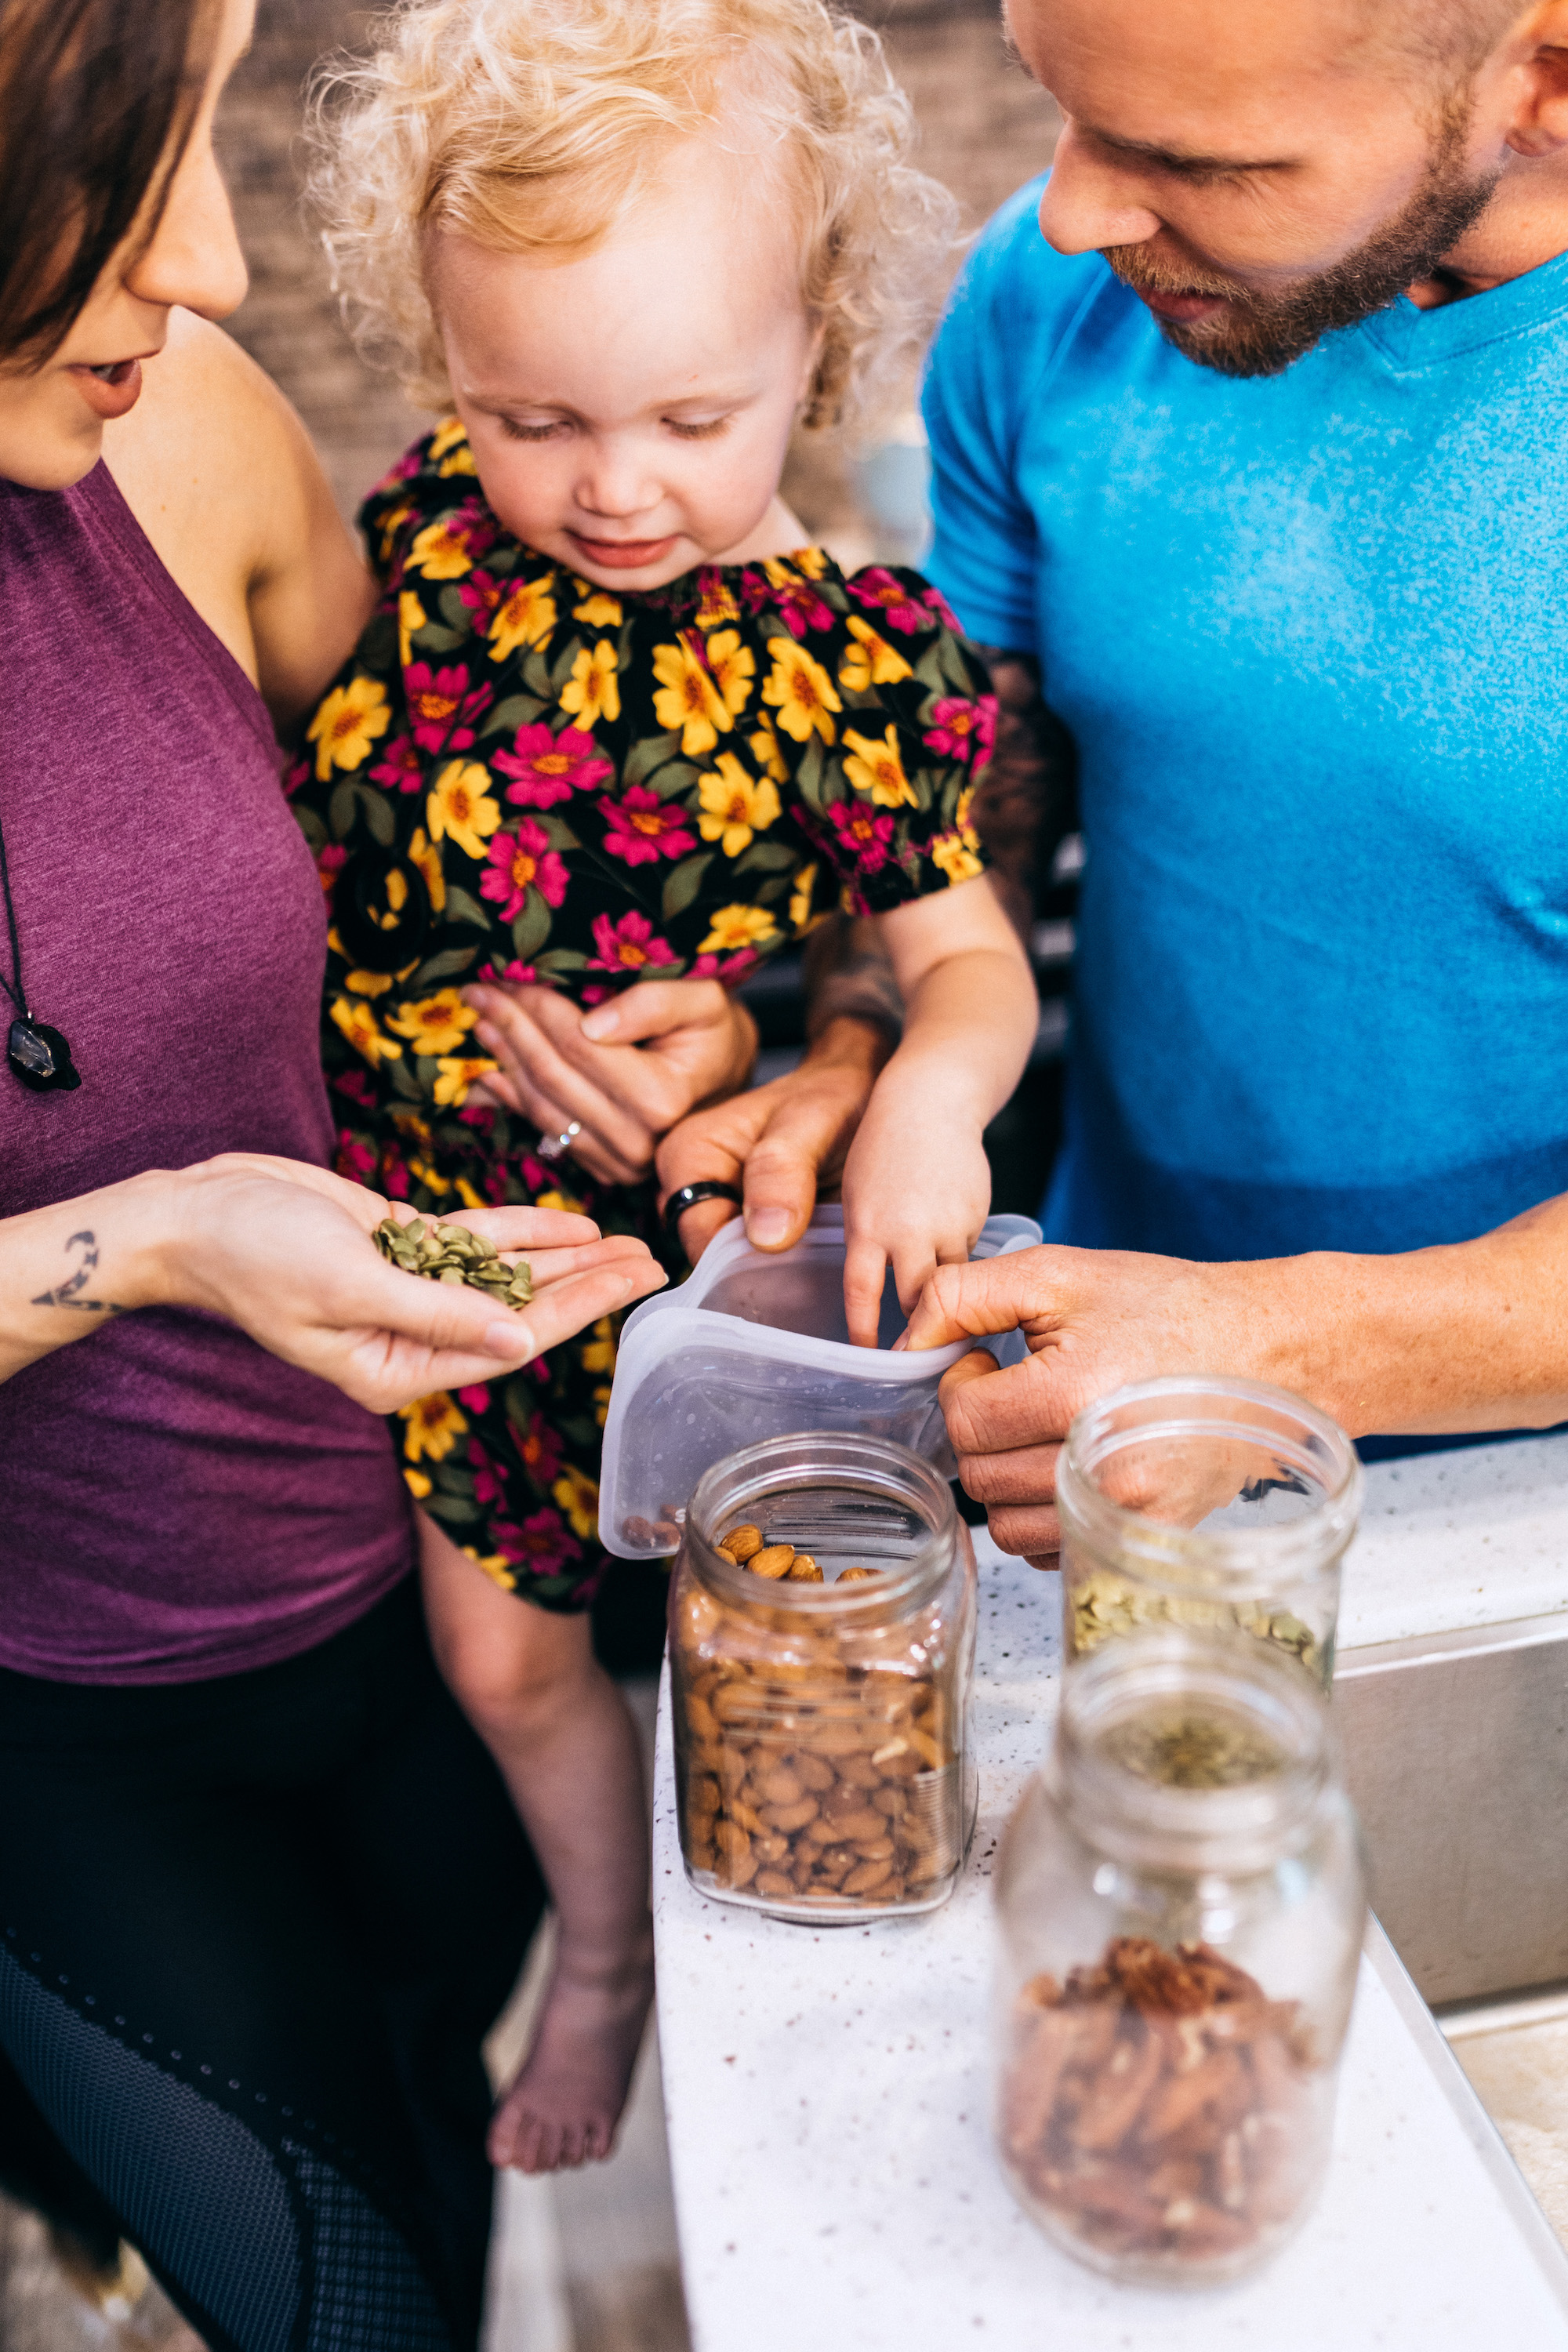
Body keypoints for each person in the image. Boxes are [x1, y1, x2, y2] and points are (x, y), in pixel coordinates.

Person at [297, 0, 1037, 2176]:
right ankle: (599, 1954)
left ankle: (759, 2005)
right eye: (528, 412)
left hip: (700, 1270)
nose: (610, 484)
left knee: (767, 1652)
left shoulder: (849, 664)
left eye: (690, 415)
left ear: (817, 347)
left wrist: (910, 1082)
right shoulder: (423, 562)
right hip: (434, 1251)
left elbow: (966, 964)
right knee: (505, 1664)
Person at [0, 0, 667, 2342]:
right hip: (59, 1737)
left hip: (419, 1610)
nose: (215, 267)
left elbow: (432, 838)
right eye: (115, 165)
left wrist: (610, 993)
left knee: (441, 2122)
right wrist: (155, 1236)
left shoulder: (162, 425)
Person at [895, 0, 1568, 1555]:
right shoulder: (1049, 296)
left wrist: (1283, 1355)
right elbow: (984, 777)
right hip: (1093, 1416)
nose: (1071, 213)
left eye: (1196, 159)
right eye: (1063, 110)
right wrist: (867, 1033)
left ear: (1539, 79)